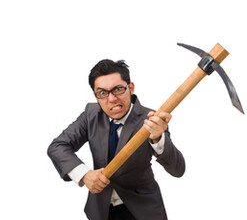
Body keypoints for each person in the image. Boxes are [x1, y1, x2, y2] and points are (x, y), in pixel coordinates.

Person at [48, 59, 186, 220]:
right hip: (101, 211)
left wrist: (157, 139)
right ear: (96, 95)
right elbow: (58, 146)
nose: (112, 99)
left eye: (118, 89)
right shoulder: (90, 115)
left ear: (131, 88)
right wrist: (84, 175)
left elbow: (178, 170)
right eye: (103, 93)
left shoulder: (152, 120)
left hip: (142, 212)